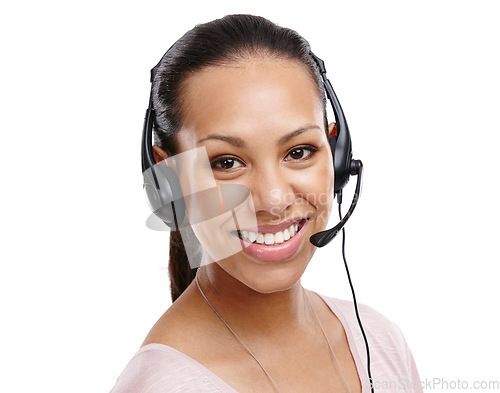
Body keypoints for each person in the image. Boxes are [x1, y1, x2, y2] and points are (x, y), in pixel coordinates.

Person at [111, 14, 422, 393]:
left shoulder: (378, 339)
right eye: (226, 163)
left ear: (336, 153)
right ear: (169, 179)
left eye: (299, 151)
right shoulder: (164, 386)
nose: (273, 199)